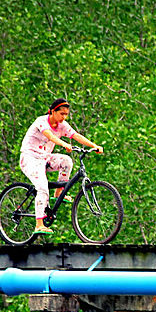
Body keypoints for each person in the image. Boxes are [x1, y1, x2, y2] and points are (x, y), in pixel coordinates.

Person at [18, 98, 103, 235]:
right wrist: (63, 144)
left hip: (45, 158)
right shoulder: (41, 121)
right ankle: (39, 224)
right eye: (61, 114)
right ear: (52, 112)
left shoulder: (62, 125)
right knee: (43, 188)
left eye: (66, 114)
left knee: (66, 161)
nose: (64, 117)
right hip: (30, 159)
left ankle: (59, 193)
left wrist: (94, 146)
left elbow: (76, 136)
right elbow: (50, 136)